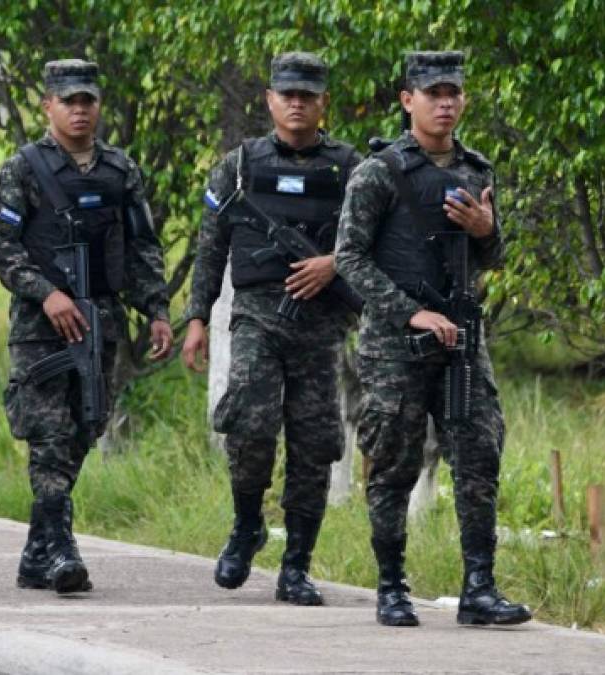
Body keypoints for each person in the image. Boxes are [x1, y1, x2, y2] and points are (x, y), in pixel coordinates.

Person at [334, 51, 531, 627]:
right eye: (433, 92)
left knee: (478, 455)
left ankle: (479, 590)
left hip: (463, 338)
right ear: (407, 100)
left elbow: (493, 255)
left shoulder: (476, 170)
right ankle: (391, 588)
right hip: (397, 345)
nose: (445, 103)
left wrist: (486, 232)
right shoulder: (379, 172)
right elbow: (348, 258)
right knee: (392, 460)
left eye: (454, 93)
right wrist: (410, 312)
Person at [0, 59, 173, 594]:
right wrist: (47, 295)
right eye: (68, 101)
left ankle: (35, 552)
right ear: (48, 106)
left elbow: (141, 247)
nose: (79, 110)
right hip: (40, 327)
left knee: (85, 428)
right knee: (50, 433)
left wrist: (156, 310)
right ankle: (62, 549)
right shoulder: (22, 170)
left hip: (100, 322)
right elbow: (2, 248)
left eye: (87, 100)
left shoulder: (120, 171)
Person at [182, 52, 361, 605]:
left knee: (314, 444)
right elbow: (210, 248)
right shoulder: (237, 167)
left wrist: (333, 263)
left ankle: (296, 567)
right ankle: (245, 525)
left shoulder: (350, 169)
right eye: (287, 94)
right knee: (250, 428)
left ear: (323, 101)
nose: (297, 103)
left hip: (321, 326)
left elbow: (376, 242)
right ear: (270, 100)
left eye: (308, 94)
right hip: (257, 318)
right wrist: (195, 317)